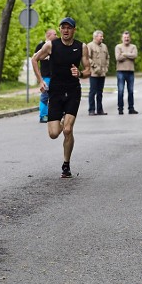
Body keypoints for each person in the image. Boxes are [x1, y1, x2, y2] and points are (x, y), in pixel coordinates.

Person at [31, 17, 91, 178]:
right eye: (63, 27)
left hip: (73, 91)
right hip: (55, 93)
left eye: (69, 28)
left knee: (68, 130)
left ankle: (66, 165)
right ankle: (63, 121)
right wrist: (41, 81)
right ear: (59, 30)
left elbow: (88, 71)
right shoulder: (51, 45)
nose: (66, 30)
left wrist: (79, 73)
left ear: (74, 30)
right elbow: (34, 59)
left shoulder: (81, 47)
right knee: (53, 133)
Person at [34, 29, 57, 123]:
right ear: (48, 35)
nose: (56, 36)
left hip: (56, 76)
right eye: (55, 34)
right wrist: (40, 79)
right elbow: (34, 59)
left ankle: (55, 114)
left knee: (56, 96)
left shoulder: (55, 46)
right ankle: (43, 115)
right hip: (46, 76)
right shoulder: (40, 46)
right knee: (45, 96)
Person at [115, 30, 138, 115]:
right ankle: (120, 109)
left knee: (131, 91)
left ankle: (131, 108)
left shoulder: (133, 46)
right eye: (125, 37)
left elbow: (134, 55)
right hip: (120, 71)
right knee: (120, 91)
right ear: (122, 38)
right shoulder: (118, 47)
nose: (126, 39)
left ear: (130, 38)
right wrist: (129, 55)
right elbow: (118, 58)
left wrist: (124, 54)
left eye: (128, 37)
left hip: (130, 71)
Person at [87, 30, 109, 115]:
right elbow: (87, 58)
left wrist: (106, 67)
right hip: (94, 73)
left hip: (102, 73)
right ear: (95, 37)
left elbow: (108, 57)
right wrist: (95, 66)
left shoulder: (104, 46)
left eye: (102, 36)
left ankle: (100, 110)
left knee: (100, 92)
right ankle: (91, 110)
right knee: (93, 92)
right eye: (101, 36)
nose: (102, 38)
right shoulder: (90, 46)